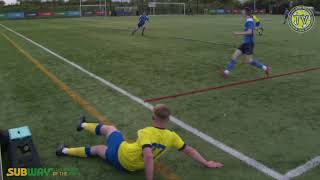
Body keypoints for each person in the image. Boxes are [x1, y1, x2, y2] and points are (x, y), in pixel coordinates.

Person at [56, 104, 223, 180]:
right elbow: (190, 150)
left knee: (106, 137)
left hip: (122, 157)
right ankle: (78, 131)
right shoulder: (173, 136)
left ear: (153, 118)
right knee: (108, 141)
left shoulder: (145, 132)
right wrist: (206, 163)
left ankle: (66, 147)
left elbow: (148, 156)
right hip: (135, 165)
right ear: (167, 119)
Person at [221, 7, 271, 78]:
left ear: (246, 12)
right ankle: (226, 72)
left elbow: (250, 32)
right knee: (234, 56)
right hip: (245, 43)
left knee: (249, 61)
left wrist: (238, 33)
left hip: (249, 43)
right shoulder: (248, 20)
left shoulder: (249, 21)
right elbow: (252, 30)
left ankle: (266, 68)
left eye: (243, 11)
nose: (242, 12)